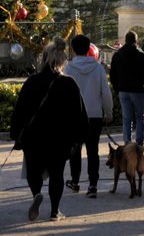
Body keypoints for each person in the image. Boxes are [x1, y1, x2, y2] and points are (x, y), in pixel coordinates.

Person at [10, 39, 88, 221]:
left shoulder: (32, 82)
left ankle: (36, 193)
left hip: (34, 137)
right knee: (57, 174)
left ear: (44, 59)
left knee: (34, 170)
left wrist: (17, 135)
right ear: (63, 60)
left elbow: (20, 110)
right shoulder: (69, 83)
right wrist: (79, 138)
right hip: (60, 138)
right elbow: (79, 113)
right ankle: (54, 211)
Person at [63, 34, 112, 198]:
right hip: (95, 115)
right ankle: (93, 185)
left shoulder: (68, 68)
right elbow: (105, 92)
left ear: (74, 49)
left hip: (74, 116)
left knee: (75, 150)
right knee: (93, 151)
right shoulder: (98, 68)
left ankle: (75, 181)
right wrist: (109, 111)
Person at [109, 31, 144, 148]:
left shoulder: (117, 55)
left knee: (126, 118)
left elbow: (112, 74)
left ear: (125, 40)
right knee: (140, 117)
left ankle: (127, 144)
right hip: (137, 91)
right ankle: (139, 144)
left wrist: (117, 88)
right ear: (136, 41)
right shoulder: (140, 55)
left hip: (123, 91)